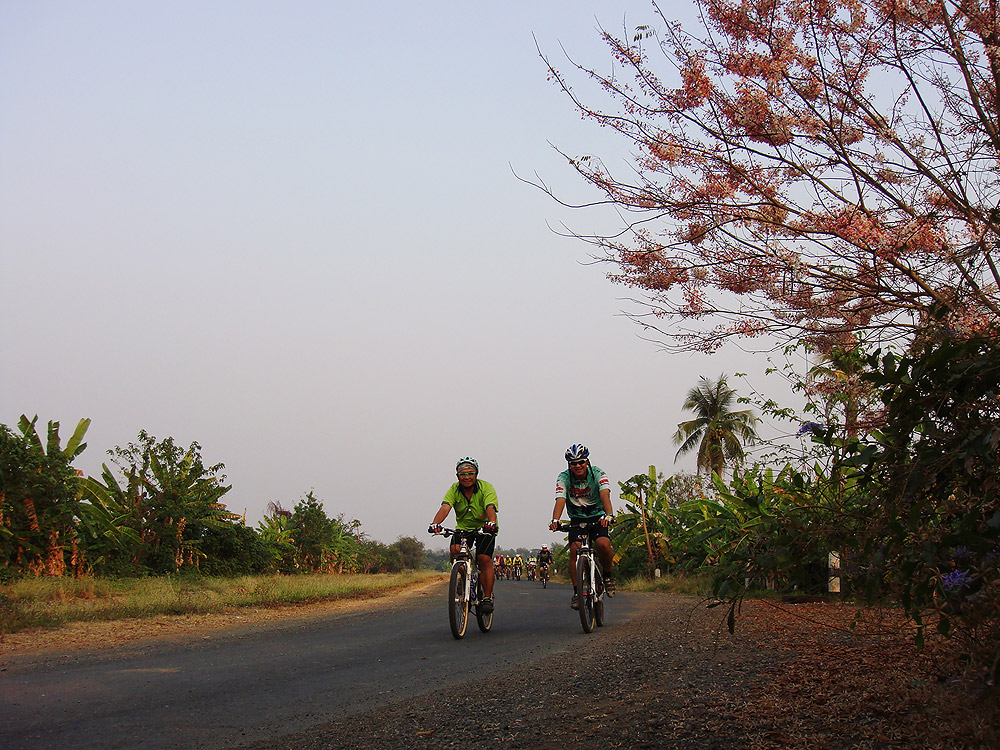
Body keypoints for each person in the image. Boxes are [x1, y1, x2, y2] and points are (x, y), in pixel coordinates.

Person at [548, 443, 615, 609]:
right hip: (577, 519)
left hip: (598, 516)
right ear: (569, 465)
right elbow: (560, 499)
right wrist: (555, 520)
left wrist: (609, 514)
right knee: (575, 549)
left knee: (603, 544)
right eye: (573, 463)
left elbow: (604, 494)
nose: (577, 466)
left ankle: (607, 576)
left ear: (587, 462)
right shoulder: (563, 477)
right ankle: (577, 593)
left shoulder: (598, 473)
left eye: (581, 462)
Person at [429, 457, 499, 614]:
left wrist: (492, 522)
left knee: (483, 559)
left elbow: (490, 507)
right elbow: (445, 507)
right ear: (457, 476)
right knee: (455, 550)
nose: (467, 477)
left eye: (470, 473)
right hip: (463, 528)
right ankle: (461, 576)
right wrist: (435, 524)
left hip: (485, 528)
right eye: (462, 474)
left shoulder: (486, 488)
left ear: (476, 474)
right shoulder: (454, 489)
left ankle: (487, 597)